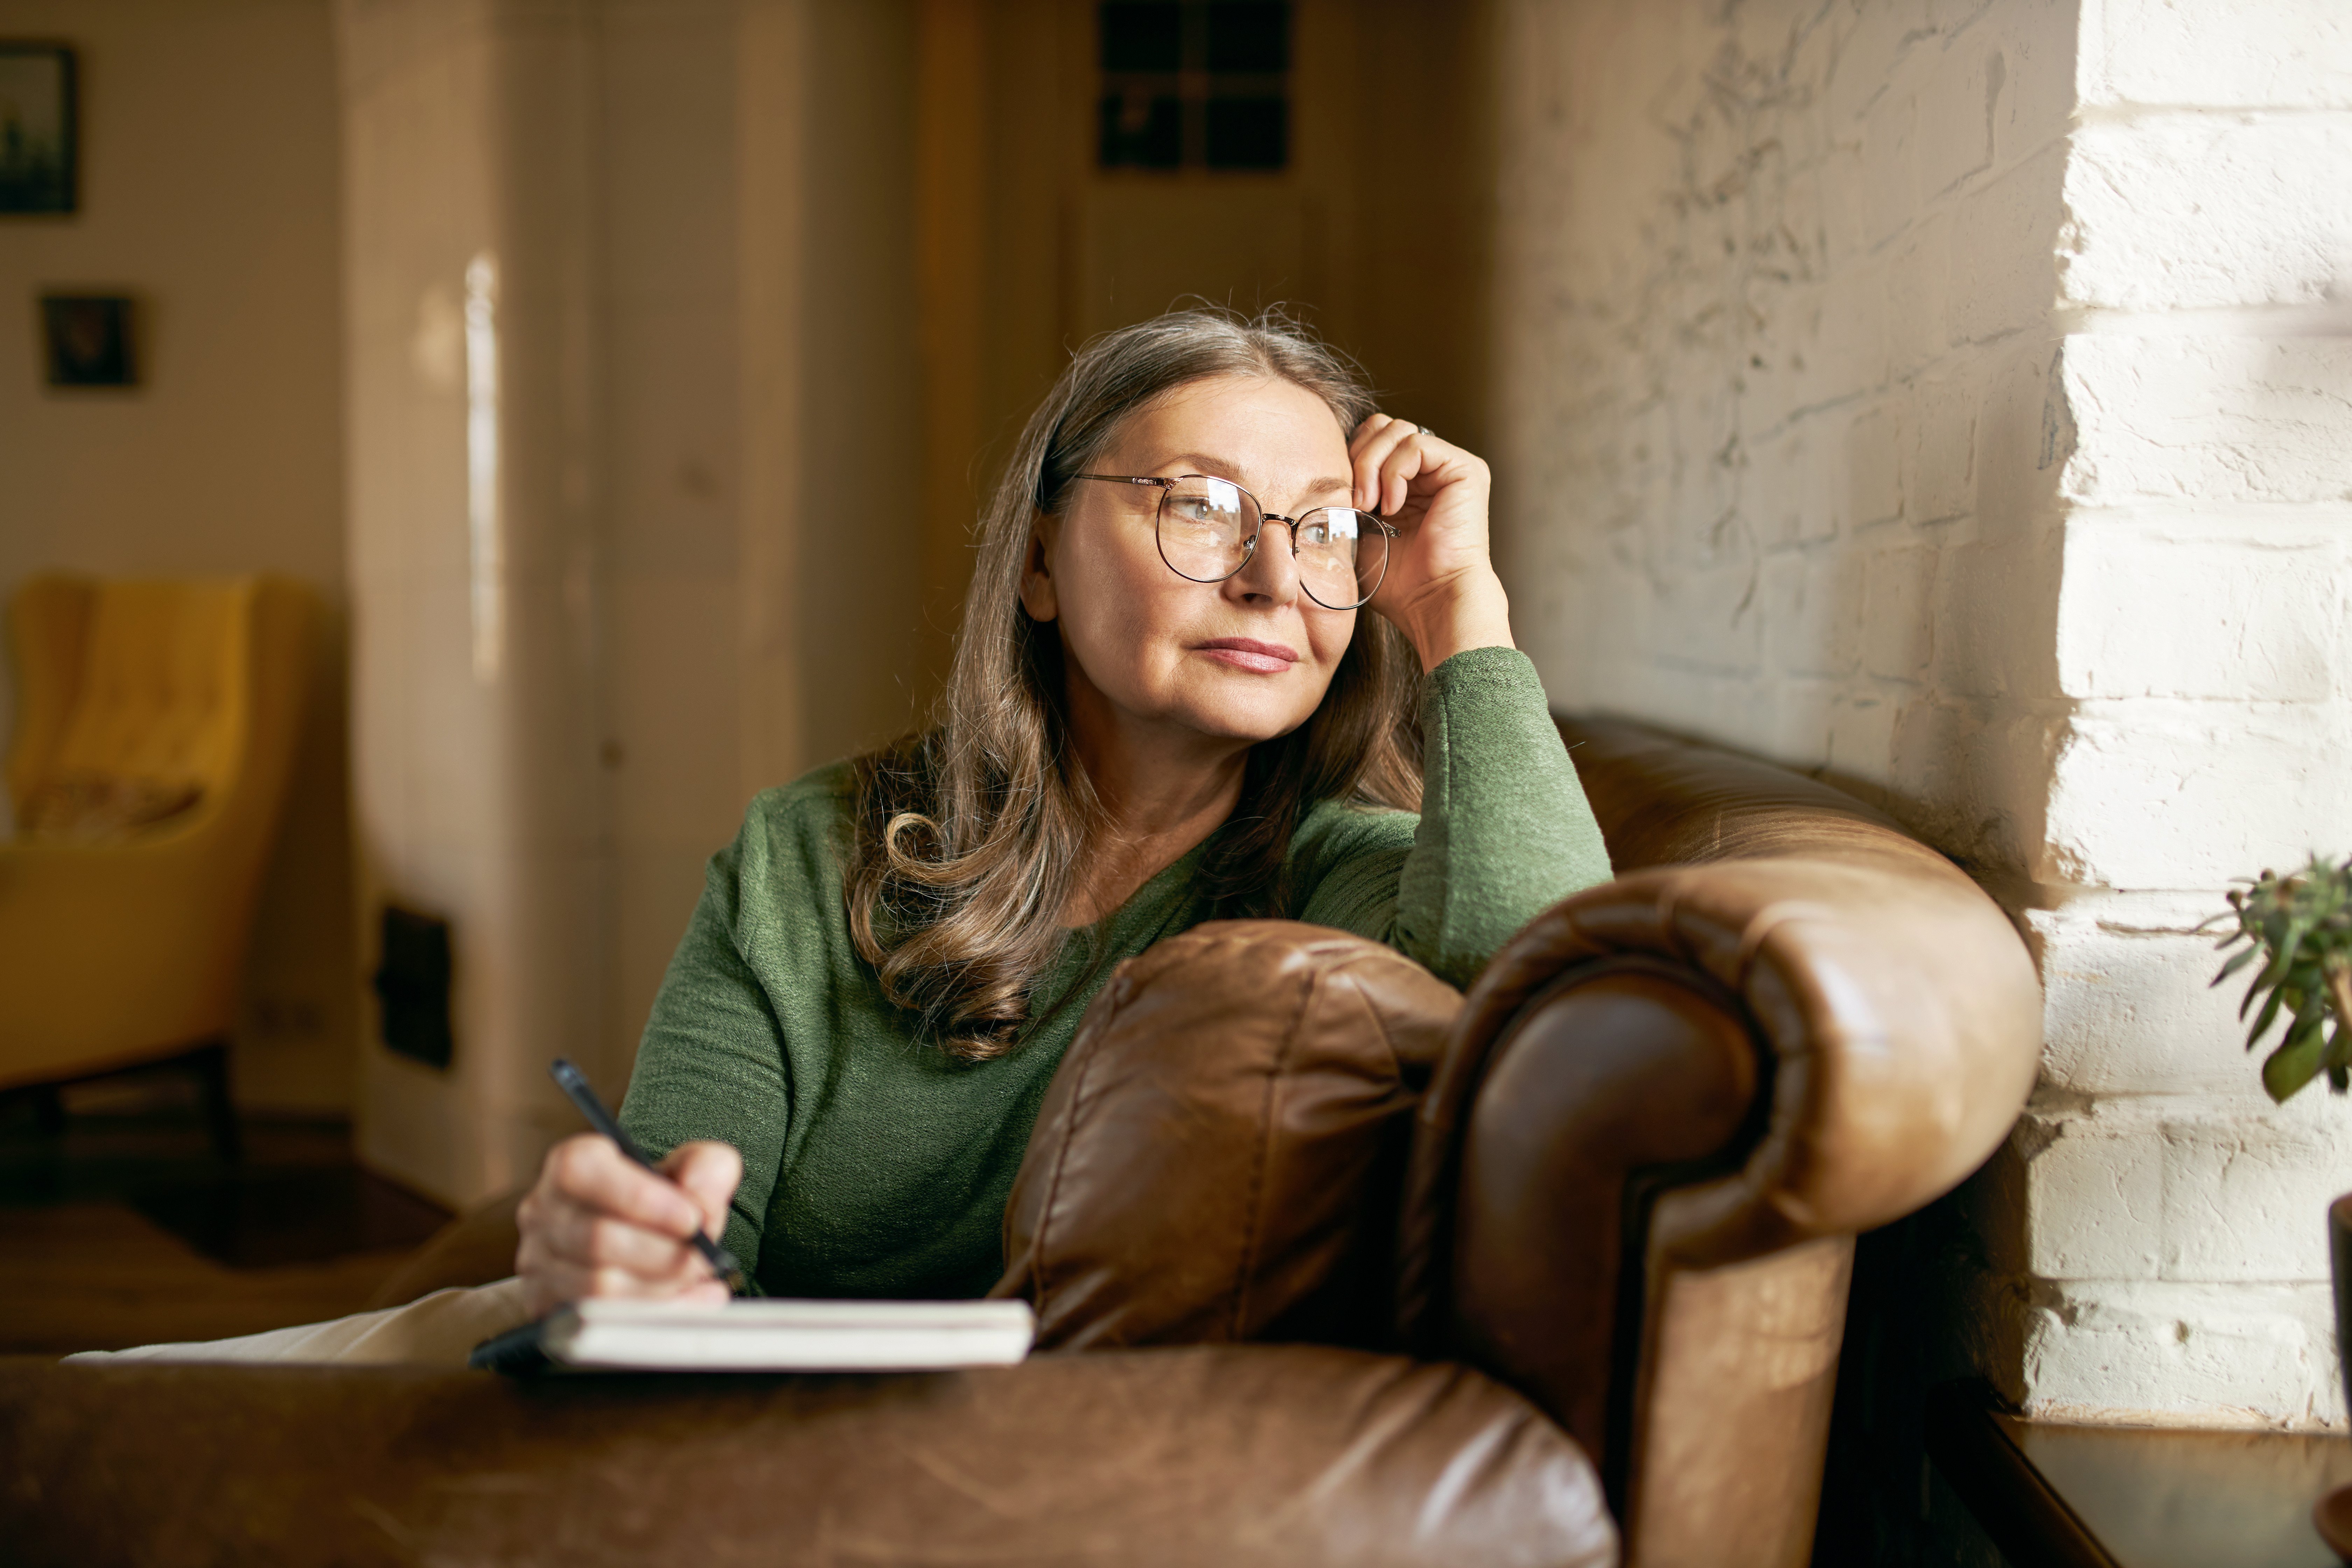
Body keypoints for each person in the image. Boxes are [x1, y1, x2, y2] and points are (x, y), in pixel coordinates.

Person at [512, 307, 1612, 1317]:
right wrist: (620, 1252)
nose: (1276, 577)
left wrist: (1461, 602)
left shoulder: (1350, 875)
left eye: (1325, 530)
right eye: (1202, 506)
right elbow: (674, 1244)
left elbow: (1558, 1015)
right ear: (1039, 558)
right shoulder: (808, 854)